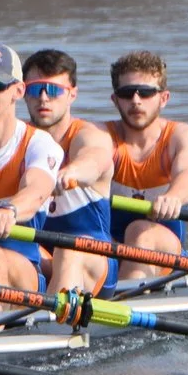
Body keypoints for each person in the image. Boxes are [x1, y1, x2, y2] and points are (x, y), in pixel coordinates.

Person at [0, 43, 64, 305]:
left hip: (24, 270)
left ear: (18, 91)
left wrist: (10, 211)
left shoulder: (39, 144)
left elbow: (37, 189)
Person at [106, 50, 188, 280]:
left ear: (164, 98)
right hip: (107, 244)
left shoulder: (183, 136)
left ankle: (124, 305)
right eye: (127, 93)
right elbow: (87, 158)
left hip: (164, 243)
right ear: (115, 99)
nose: (136, 101)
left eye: (145, 92)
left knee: (140, 232)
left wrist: (174, 196)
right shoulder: (100, 137)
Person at [22, 48, 117, 294]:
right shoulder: (17, 139)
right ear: (22, 93)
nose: (43, 98)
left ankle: (51, 325)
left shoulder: (88, 134)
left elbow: (95, 160)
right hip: (40, 257)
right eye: (35, 89)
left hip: (93, 259)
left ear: (72, 95)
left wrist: (71, 173)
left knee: (69, 251)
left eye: (53, 90)